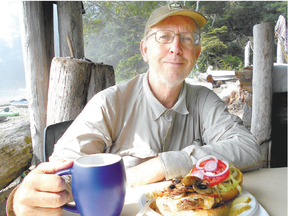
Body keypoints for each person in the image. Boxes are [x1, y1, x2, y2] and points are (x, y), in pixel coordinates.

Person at [7, 2, 261, 216]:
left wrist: (162, 165)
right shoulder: (108, 103)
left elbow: (248, 148)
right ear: (144, 50)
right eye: (164, 37)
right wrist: (21, 200)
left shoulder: (204, 99)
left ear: (196, 52)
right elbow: (59, 172)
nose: (176, 47)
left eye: (187, 39)